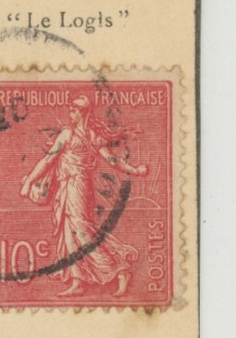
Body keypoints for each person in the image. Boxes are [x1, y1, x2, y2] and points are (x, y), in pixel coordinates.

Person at [19, 94, 149, 297]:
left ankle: (120, 269)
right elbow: (47, 161)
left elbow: (113, 160)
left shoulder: (86, 136)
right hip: (67, 187)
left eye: (73, 110)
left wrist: (136, 170)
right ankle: (77, 280)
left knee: (81, 231)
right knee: (69, 232)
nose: (70, 113)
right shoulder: (69, 135)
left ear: (83, 113)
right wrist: (28, 181)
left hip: (78, 186)